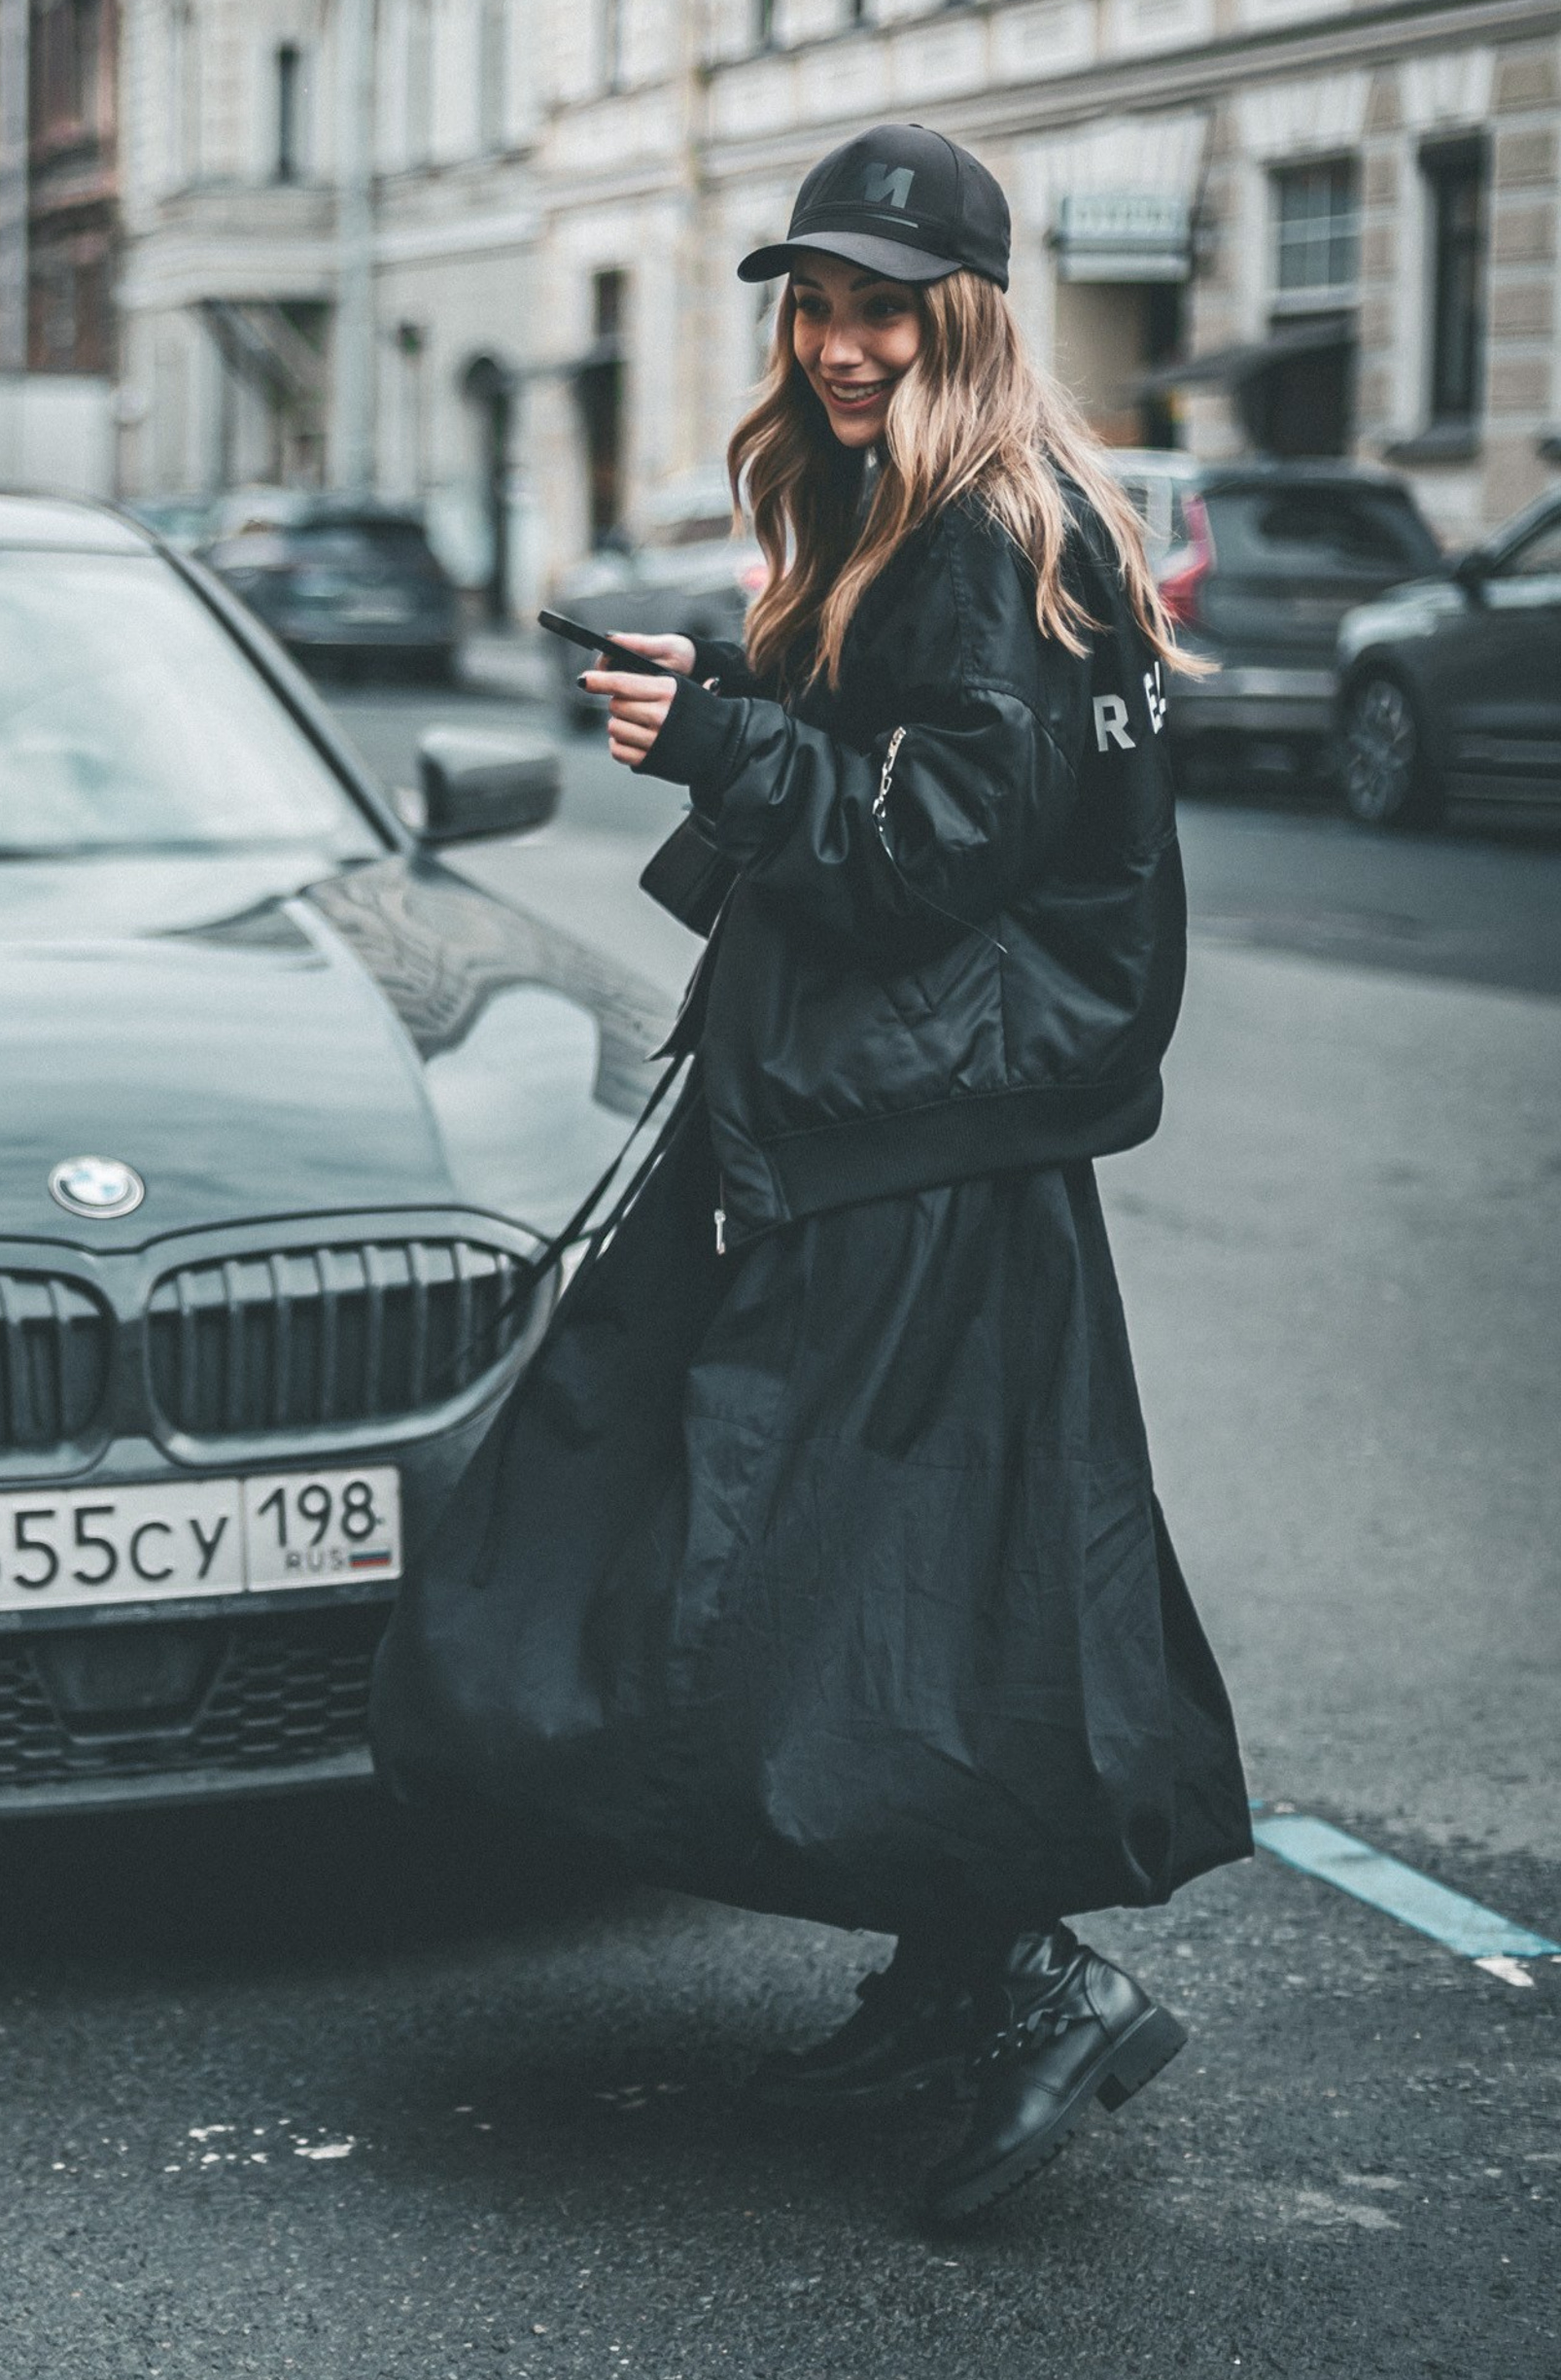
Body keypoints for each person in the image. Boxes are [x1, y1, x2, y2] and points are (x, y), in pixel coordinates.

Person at [369, 123, 1252, 2228]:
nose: (840, 344)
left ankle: (1026, 1971)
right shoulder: (927, 514)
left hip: (913, 1137)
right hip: (923, 1119)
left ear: (964, 314)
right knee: (918, 1571)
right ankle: (958, 1970)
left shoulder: (983, 523)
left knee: (829, 1571)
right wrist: (743, 688)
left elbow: (919, 854)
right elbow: (946, 786)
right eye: (815, 303)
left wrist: (719, 745)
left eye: (879, 305)